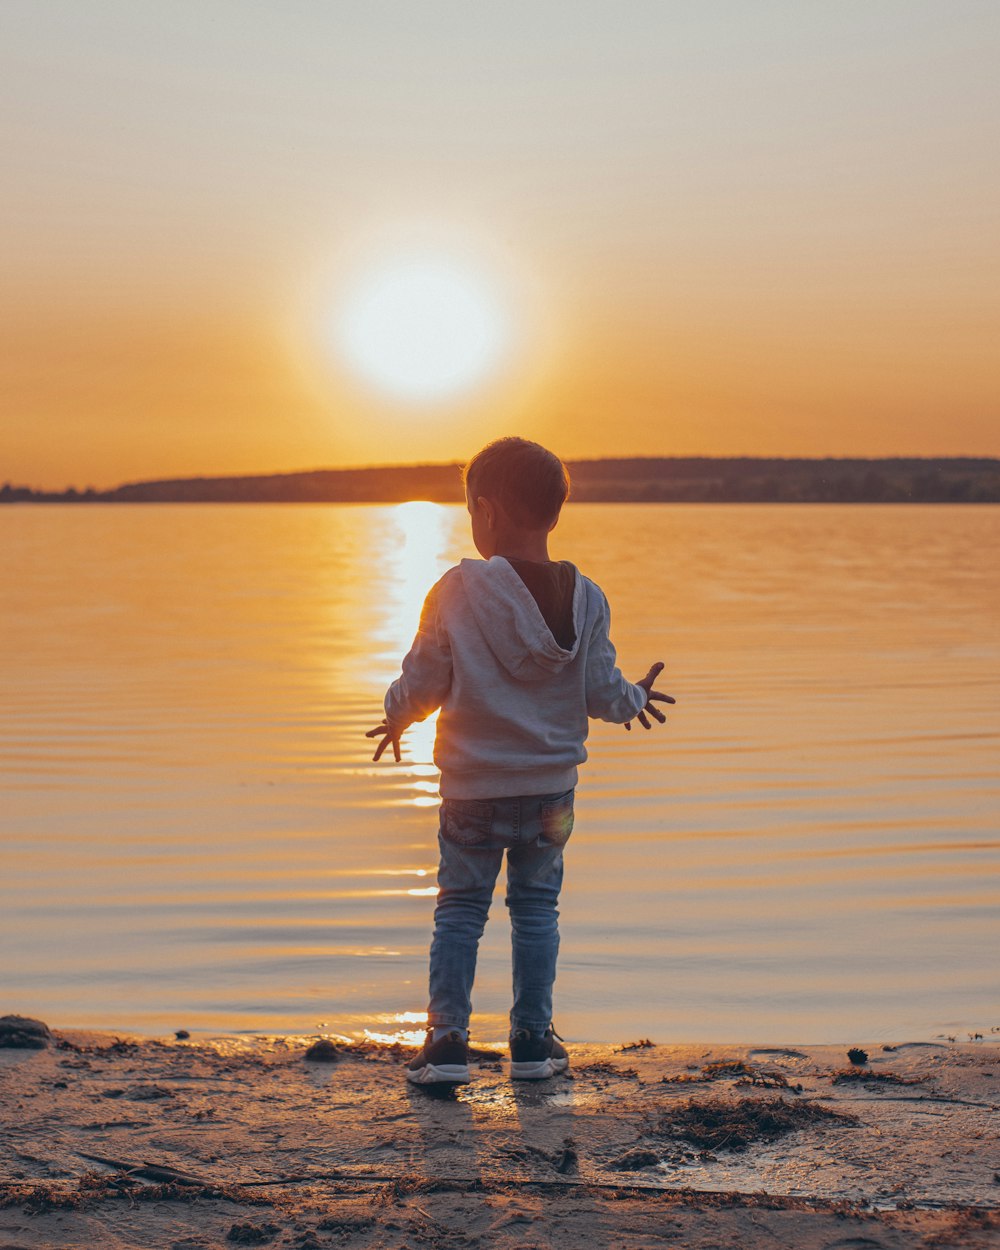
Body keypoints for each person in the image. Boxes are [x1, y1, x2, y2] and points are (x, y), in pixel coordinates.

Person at [366, 437, 673, 1084]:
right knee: (536, 910)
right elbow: (600, 691)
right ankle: (532, 1041)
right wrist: (635, 699)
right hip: (550, 796)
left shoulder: (454, 590)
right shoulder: (587, 597)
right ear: (555, 515)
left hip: (472, 791)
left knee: (459, 910)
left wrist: (397, 715)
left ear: (485, 510)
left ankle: (446, 1041)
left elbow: (424, 681)